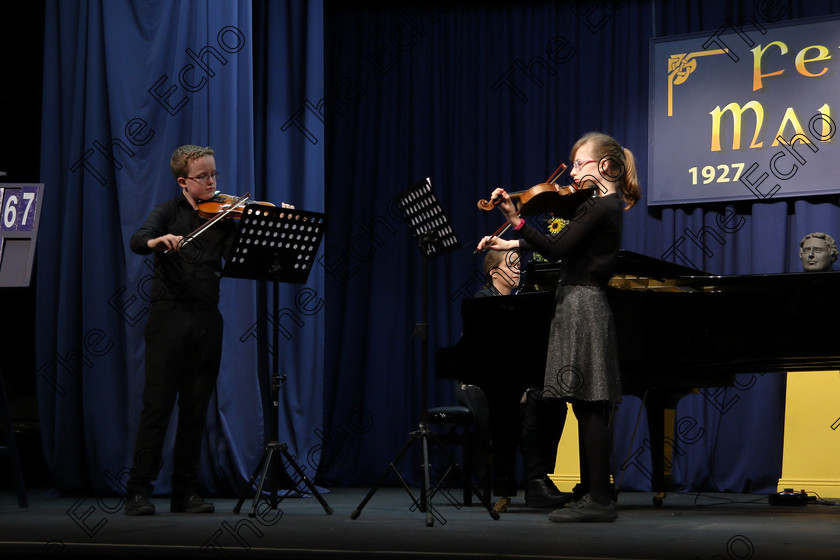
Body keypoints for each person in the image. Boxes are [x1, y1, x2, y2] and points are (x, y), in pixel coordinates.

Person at [477, 131, 641, 522]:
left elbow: (556, 249)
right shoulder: (594, 207)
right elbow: (557, 238)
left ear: (606, 165)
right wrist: (511, 243)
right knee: (585, 403)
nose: (574, 172)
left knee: (589, 404)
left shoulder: (603, 206)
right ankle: (594, 495)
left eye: (581, 163)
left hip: (583, 303)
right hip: (577, 301)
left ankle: (599, 500)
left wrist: (516, 219)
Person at [124, 145, 291, 515]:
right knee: (157, 408)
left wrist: (275, 222)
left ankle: (185, 491)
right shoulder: (168, 212)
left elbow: (247, 257)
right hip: (168, 318)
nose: (213, 182)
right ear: (183, 181)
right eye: (204, 177)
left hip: (207, 318)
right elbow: (139, 239)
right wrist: (157, 240)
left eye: (214, 174)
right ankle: (138, 490)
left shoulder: (225, 215)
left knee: (196, 408)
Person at [457, 249, 570, 511]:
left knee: (554, 403)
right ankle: (522, 484)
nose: (518, 270)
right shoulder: (483, 300)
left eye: (519, 265)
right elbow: (483, 356)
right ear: (494, 272)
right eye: (512, 265)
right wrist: (518, 384)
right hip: (482, 384)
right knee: (529, 400)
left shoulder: (524, 303)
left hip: (513, 381)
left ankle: (543, 479)